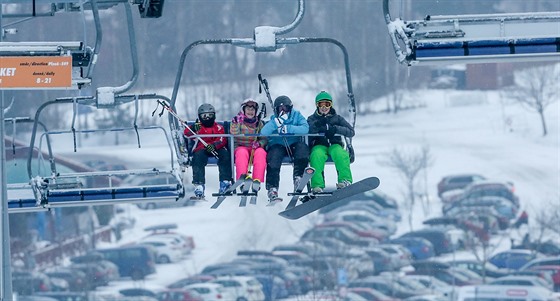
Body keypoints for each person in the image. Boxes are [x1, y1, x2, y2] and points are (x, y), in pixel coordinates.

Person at [260, 95, 309, 202]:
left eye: (285, 108)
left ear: (290, 108)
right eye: (280, 108)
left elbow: (305, 128)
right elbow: (263, 132)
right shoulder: (274, 120)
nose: (283, 111)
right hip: (278, 144)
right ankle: (272, 187)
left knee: (302, 149)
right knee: (274, 157)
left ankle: (298, 177)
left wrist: (289, 128)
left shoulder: (297, 115)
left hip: (293, 143)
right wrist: (276, 123)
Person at [306, 91, 354, 193]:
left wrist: (335, 129)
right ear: (317, 105)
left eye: (327, 104)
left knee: (340, 154)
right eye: (321, 104)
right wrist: (318, 125)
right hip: (319, 145)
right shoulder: (312, 119)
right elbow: (308, 130)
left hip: (335, 144)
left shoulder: (337, 118)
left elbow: (350, 132)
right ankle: (317, 185)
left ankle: (345, 180)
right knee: (316, 155)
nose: (324, 107)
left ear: (331, 105)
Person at [183, 103, 232, 198]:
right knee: (197, 158)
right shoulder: (198, 127)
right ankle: (199, 184)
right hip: (202, 148)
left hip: (217, 148)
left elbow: (222, 139)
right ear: (200, 117)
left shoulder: (218, 127)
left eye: (210, 115)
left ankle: (225, 181)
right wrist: (193, 128)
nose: (207, 118)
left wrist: (214, 145)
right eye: (204, 116)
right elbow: (187, 134)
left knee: (225, 155)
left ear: (214, 115)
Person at [229, 98, 267, 189]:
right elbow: (234, 133)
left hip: (254, 147)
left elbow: (264, 139)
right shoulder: (238, 121)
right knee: (242, 153)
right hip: (241, 146)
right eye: (248, 109)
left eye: (253, 110)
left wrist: (259, 143)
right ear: (243, 110)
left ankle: (256, 180)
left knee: (261, 152)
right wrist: (235, 123)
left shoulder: (259, 123)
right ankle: (242, 180)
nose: (250, 112)